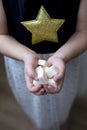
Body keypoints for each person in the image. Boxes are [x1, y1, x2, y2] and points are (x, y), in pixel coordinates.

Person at [0, 0, 87, 130]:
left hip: (68, 56)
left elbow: (84, 31)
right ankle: (38, 122)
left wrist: (61, 57)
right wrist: (26, 56)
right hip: (21, 60)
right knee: (32, 103)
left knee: (63, 100)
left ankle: (62, 119)